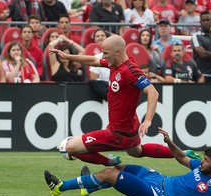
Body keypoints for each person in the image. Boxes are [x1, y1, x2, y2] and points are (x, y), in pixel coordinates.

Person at [49, 35, 200, 166]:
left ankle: (109, 162)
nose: (104, 56)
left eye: (106, 53)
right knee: (137, 152)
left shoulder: (130, 71)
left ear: (118, 52)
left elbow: (152, 92)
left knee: (67, 148)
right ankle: (183, 152)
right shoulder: (114, 63)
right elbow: (93, 60)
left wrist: (148, 120)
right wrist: (68, 56)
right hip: (130, 129)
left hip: (117, 133)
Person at [44, 127, 211, 196]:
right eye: (203, 158)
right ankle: (88, 187)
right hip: (157, 179)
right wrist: (170, 142)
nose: (201, 161)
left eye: (206, 160)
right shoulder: (199, 168)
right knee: (123, 168)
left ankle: (60, 187)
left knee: (110, 173)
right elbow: (180, 157)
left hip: (157, 195)